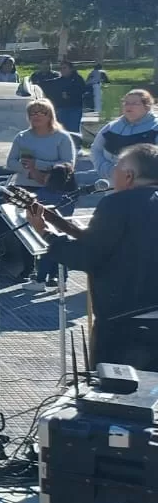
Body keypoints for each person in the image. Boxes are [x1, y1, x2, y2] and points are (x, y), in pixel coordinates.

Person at [27, 143, 158, 369]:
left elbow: (87, 255)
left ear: (128, 176)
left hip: (124, 321)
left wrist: (45, 233)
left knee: (114, 395)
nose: (111, 173)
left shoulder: (116, 204)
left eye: (116, 167)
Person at [9, 98, 79, 292]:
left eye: (42, 112)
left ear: (50, 115)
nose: (37, 116)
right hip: (26, 188)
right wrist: (29, 171)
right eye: (33, 113)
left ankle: (55, 275)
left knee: (54, 231)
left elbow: (67, 165)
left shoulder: (62, 137)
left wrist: (37, 165)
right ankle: (30, 270)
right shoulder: (22, 137)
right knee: (27, 230)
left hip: (56, 190)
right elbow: (11, 163)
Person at [91, 90, 157, 178]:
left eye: (134, 103)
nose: (129, 106)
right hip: (112, 181)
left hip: (146, 183)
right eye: (126, 103)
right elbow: (96, 149)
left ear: (147, 107)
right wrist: (104, 169)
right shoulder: (111, 127)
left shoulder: (155, 128)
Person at [47, 60, 86, 134]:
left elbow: (82, 90)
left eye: (64, 68)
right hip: (61, 109)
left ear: (71, 69)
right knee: (61, 130)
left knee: (73, 130)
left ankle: (75, 145)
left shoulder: (78, 79)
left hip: (74, 109)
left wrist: (69, 94)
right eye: (61, 68)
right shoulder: (59, 81)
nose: (62, 70)